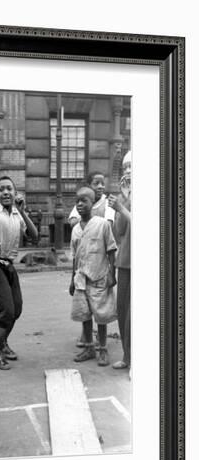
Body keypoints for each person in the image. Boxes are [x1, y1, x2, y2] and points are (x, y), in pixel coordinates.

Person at [0, 177, 38, 370]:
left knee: (17, 309)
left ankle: (3, 343)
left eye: (9, 189)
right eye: (1, 190)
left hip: (9, 266)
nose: (6, 192)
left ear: (15, 193)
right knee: (6, 310)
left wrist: (22, 211)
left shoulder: (17, 214)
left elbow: (34, 236)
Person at [69, 186, 117, 367]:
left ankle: (103, 348)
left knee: (101, 315)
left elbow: (111, 250)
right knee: (85, 314)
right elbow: (75, 257)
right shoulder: (75, 230)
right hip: (81, 279)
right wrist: (72, 280)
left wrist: (113, 274)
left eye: (84, 200)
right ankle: (89, 347)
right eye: (77, 201)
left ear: (93, 203)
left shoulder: (102, 224)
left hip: (99, 277)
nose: (80, 204)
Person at [109, 151, 131, 376]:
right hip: (125, 261)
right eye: (125, 167)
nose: (128, 171)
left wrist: (123, 207)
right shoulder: (125, 195)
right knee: (123, 311)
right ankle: (127, 356)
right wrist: (123, 201)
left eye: (132, 166)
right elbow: (120, 231)